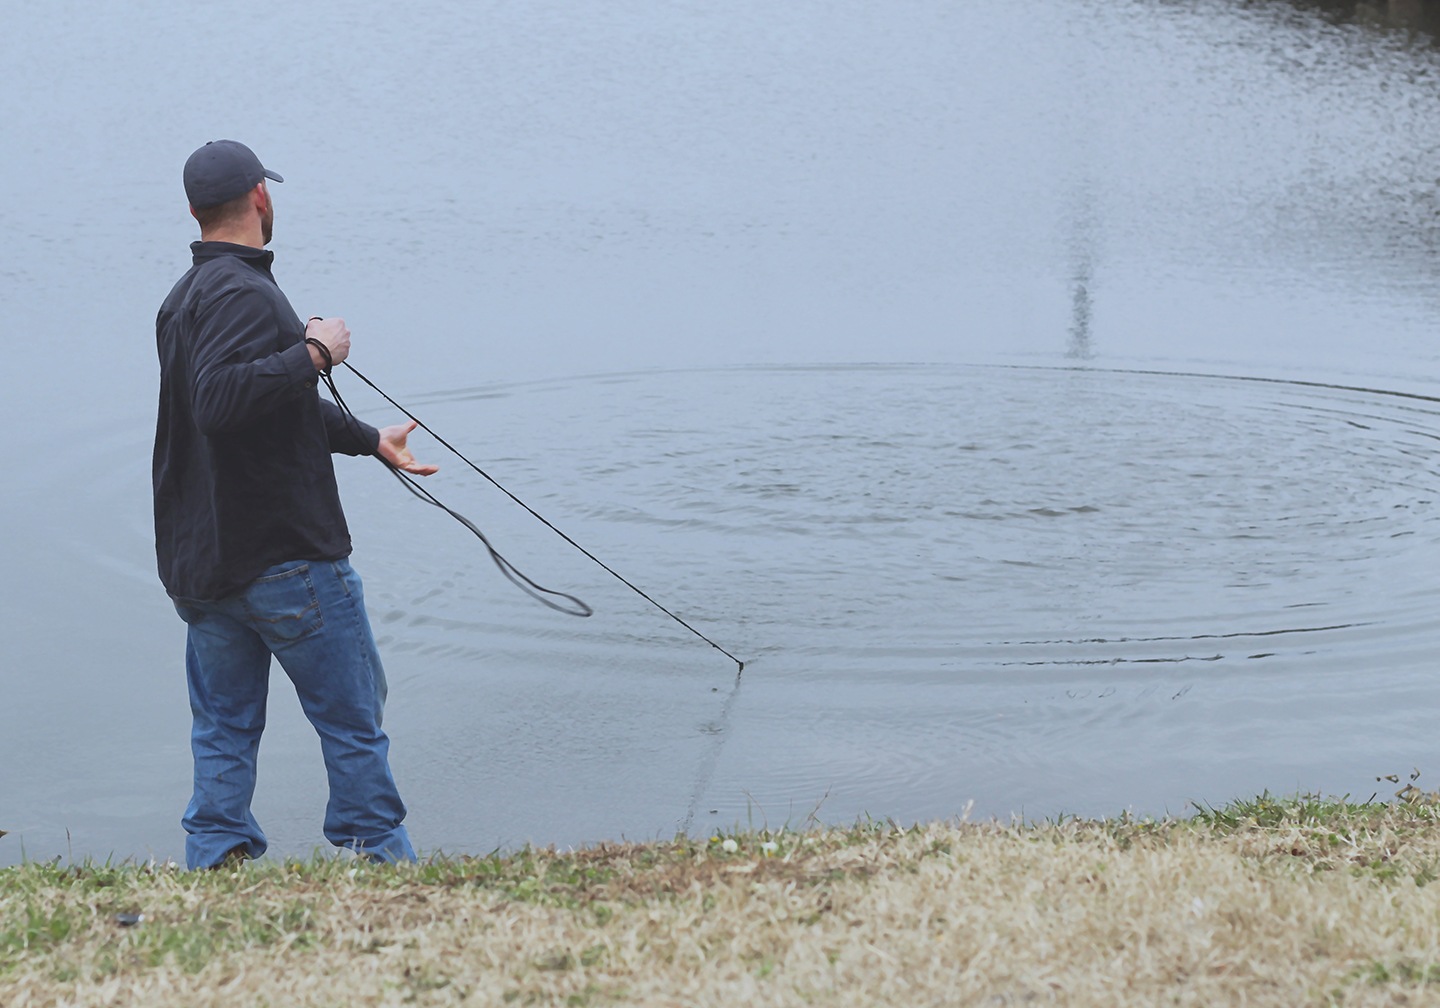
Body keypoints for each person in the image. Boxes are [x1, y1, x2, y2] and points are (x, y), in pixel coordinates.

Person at [153, 140, 437, 870]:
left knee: (223, 727)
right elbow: (221, 402)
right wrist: (316, 353)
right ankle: (378, 854)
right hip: (286, 559)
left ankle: (216, 858)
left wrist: (372, 439)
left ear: (193, 210)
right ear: (260, 197)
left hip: (211, 565)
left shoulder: (184, 299)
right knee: (352, 718)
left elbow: (267, 406)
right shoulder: (244, 294)